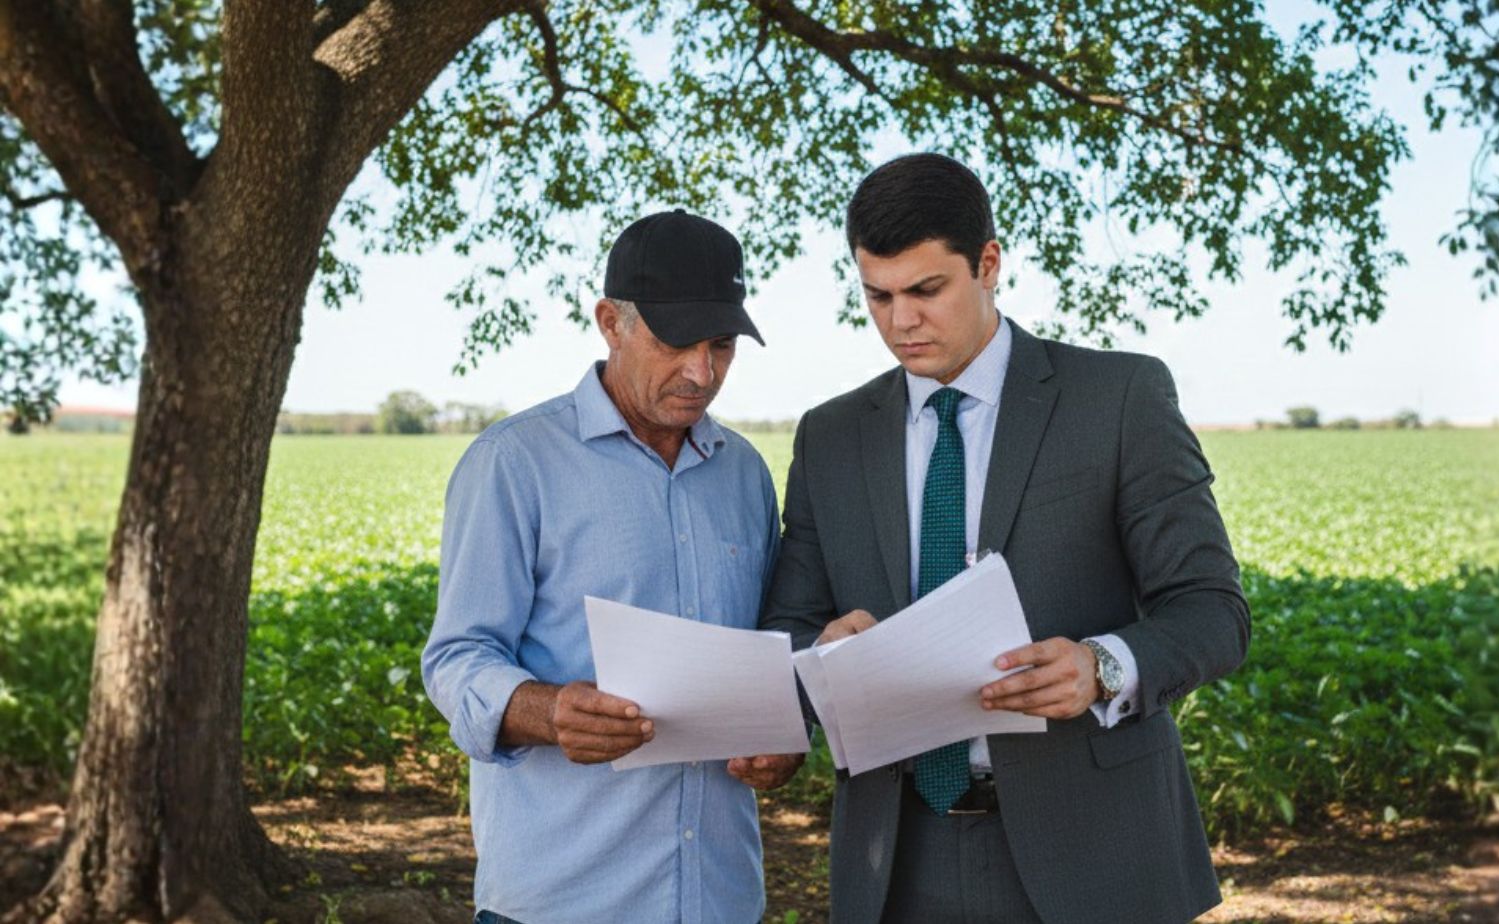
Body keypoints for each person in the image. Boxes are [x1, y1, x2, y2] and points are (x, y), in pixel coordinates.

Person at [750, 154, 1251, 923]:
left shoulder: (1119, 398)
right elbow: (789, 624)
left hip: (1100, 855)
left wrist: (1102, 666)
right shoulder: (831, 435)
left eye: (925, 290)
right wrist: (821, 653)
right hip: (893, 862)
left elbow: (1213, 611)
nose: (900, 321)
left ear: (988, 264)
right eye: (876, 296)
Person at [421, 209, 786, 924]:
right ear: (610, 322)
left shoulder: (745, 473)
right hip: (562, 899)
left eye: (722, 345)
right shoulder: (514, 463)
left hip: (720, 897)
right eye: (676, 341)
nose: (701, 372)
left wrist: (778, 738)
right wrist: (549, 711)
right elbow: (456, 658)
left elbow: (766, 651)